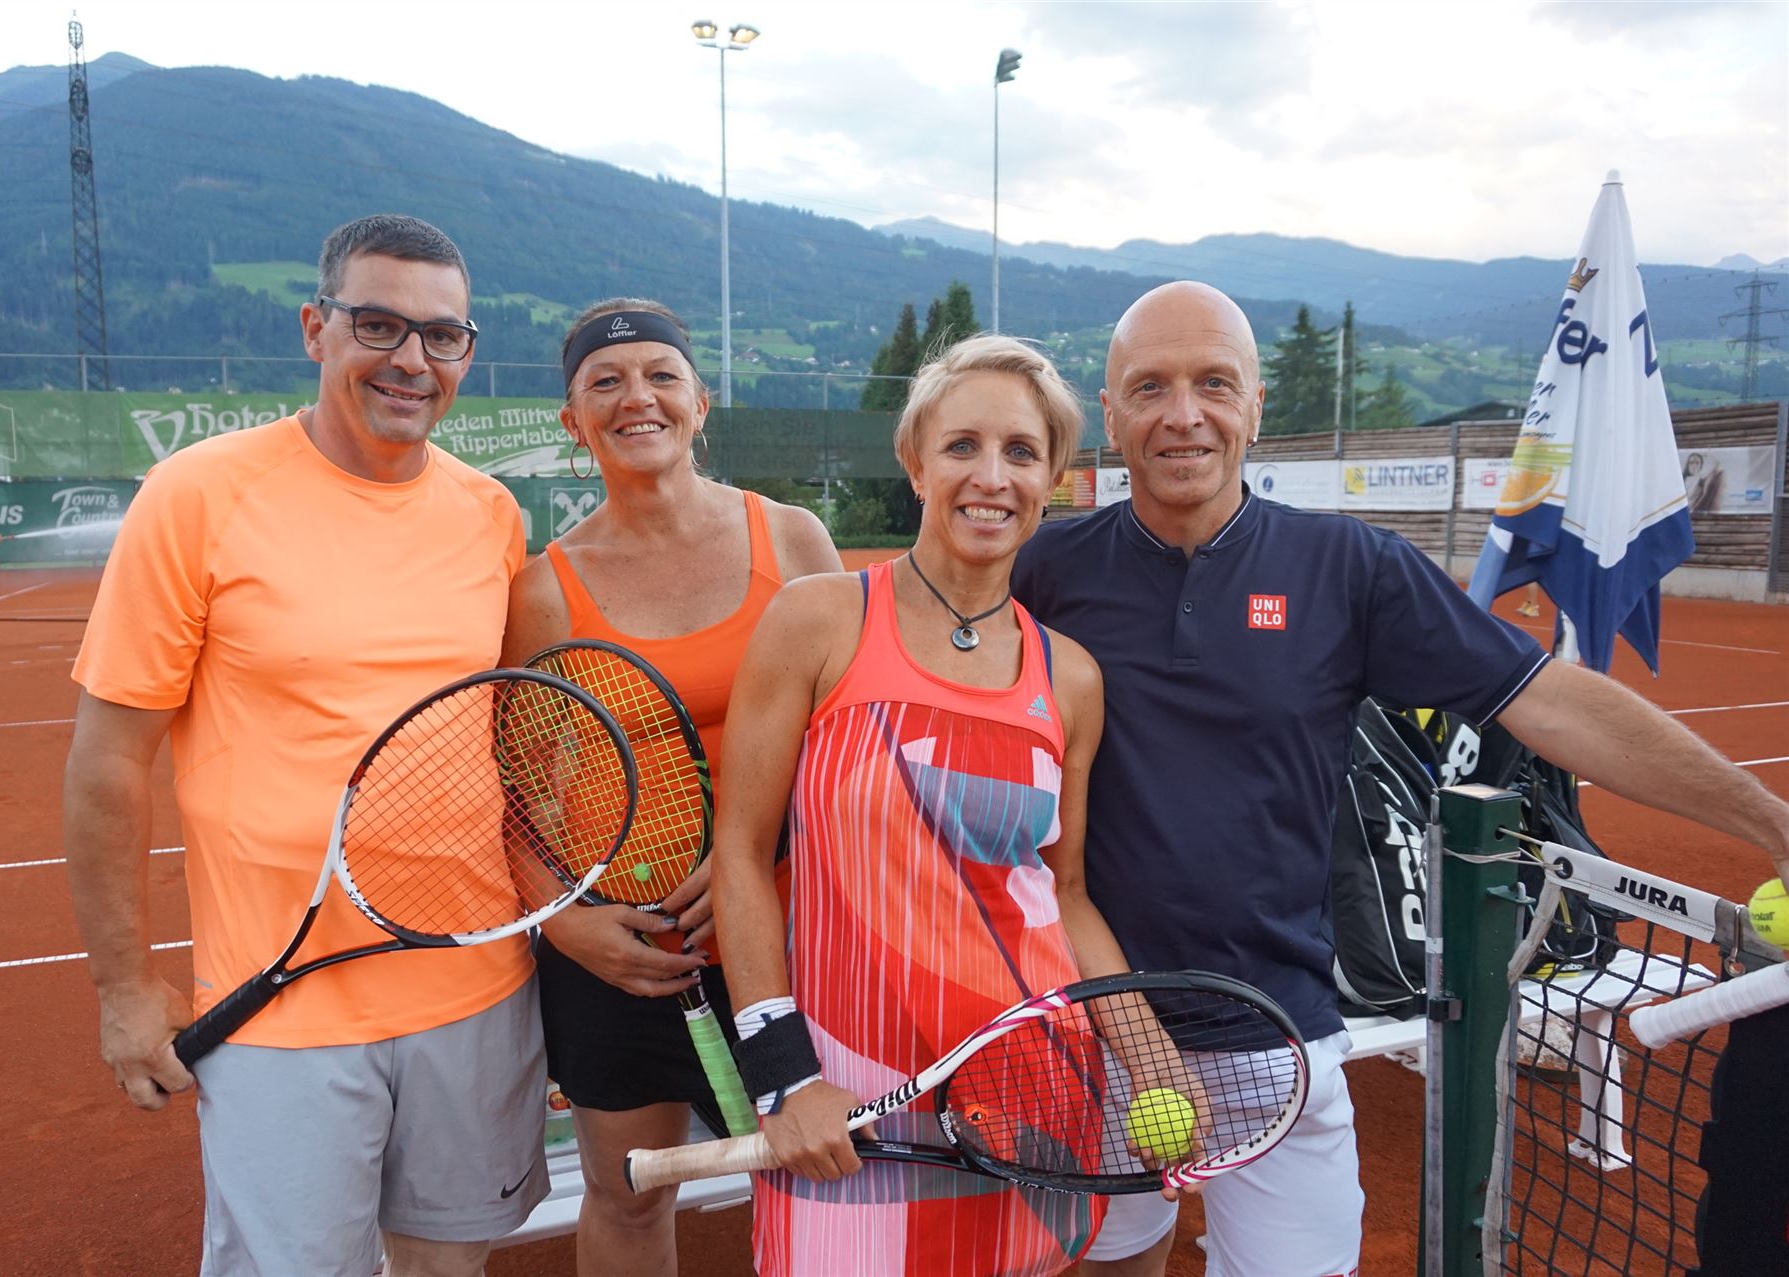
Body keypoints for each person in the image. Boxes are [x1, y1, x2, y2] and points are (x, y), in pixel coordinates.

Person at [1010, 280, 1789, 1277]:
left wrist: (1770, 819)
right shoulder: (1044, 570)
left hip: (1281, 1036)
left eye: (1215, 383)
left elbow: (1552, 702)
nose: (1184, 413)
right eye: (1150, 387)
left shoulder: (1349, 567)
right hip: (1090, 1024)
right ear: (1112, 415)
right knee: (1114, 1263)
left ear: (1256, 407)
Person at [63, 214, 541, 1277]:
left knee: (449, 1267)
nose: (410, 359)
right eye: (378, 324)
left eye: (443, 335)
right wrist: (122, 988)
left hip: (477, 987)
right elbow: (107, 761)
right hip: (280, 1008)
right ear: (316, 328)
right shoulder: (197, 495)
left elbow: (506, 744)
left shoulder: (490, 513)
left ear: (465, 353)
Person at [713, 334, 1164, 1277]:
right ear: (915, 462)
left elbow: (1063, 894)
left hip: (1029, 1091)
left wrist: (1150, 1055)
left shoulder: (1070, 678)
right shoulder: (817, 620)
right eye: (962, 445)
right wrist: (785, 1076)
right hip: (842, 1098)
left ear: (1051, 480)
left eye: (1021, 451)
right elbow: (742, 856)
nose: (990, 476)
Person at [502, 297, 839, 1277]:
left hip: (792, 934)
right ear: (573, 421)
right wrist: (567, 922)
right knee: (628, 1192)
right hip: (625, 954)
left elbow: (851, 742)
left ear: (701, 401)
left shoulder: (795, 541)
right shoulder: (543, 590)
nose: (635, 396)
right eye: (604, 382)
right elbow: (514, 789)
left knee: (824, 1177)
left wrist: (757, 866)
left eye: (660, 375)